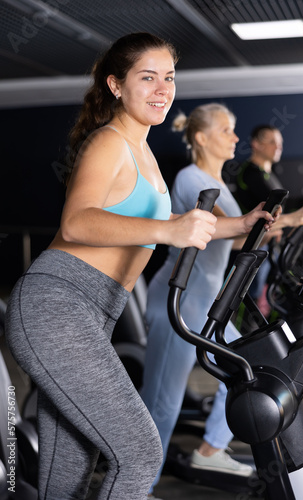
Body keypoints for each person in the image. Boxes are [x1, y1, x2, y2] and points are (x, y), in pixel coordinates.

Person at [4, 33, 218, 500]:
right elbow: (78, 222)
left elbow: (169, 224)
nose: (163, 88)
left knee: (70, 467)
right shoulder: (109, 142)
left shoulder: (145, 155)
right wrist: (169, 232)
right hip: (56, 306)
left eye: (169, 78)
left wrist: (241, 224)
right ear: (116, 85)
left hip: (92, 313)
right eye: (148, 77)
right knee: (140, 451)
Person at [141, 103, 283, 497]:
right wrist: (283, 219)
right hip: (181, 300)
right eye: (226, 130)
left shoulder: (220, 181)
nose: (236, 138)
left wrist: (281, 221)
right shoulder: (191, 178)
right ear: (201, 138)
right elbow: (233, 232)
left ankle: (210, 449)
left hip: (208, 303)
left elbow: (243, 233)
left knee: (246, 370)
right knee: (162, 401)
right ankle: (140, 485)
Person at [234, 124, 303, 308]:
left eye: (280, 143)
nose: (278, 147)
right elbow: (272, 211)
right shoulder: (250, 173)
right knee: (247, 305)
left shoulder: (267, 174)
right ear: (256, 144)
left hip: (267, 246)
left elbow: (284, 205)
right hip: (250, 249)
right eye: (272, 142)